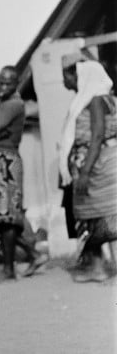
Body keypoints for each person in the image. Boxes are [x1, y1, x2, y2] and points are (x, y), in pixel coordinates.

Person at [0, 66, 42, 279]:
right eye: (1, 82)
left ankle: (9, 268)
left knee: (6, 217)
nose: (3, 86)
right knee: (1, 218)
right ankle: (33, 255)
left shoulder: (13, 104)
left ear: (16, 83)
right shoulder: (2, 104)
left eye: (8, 83)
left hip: (7, 163)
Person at [59, 56, 117, 282]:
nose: (69, 81)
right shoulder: (110, 99)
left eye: (71, 76)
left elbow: (97, 135)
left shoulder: (93, 100)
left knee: (89, 216)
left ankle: (97, 267)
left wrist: (84, 172)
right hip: (109, 160)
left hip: (96, 164)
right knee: (109, 215)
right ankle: (106, 265)